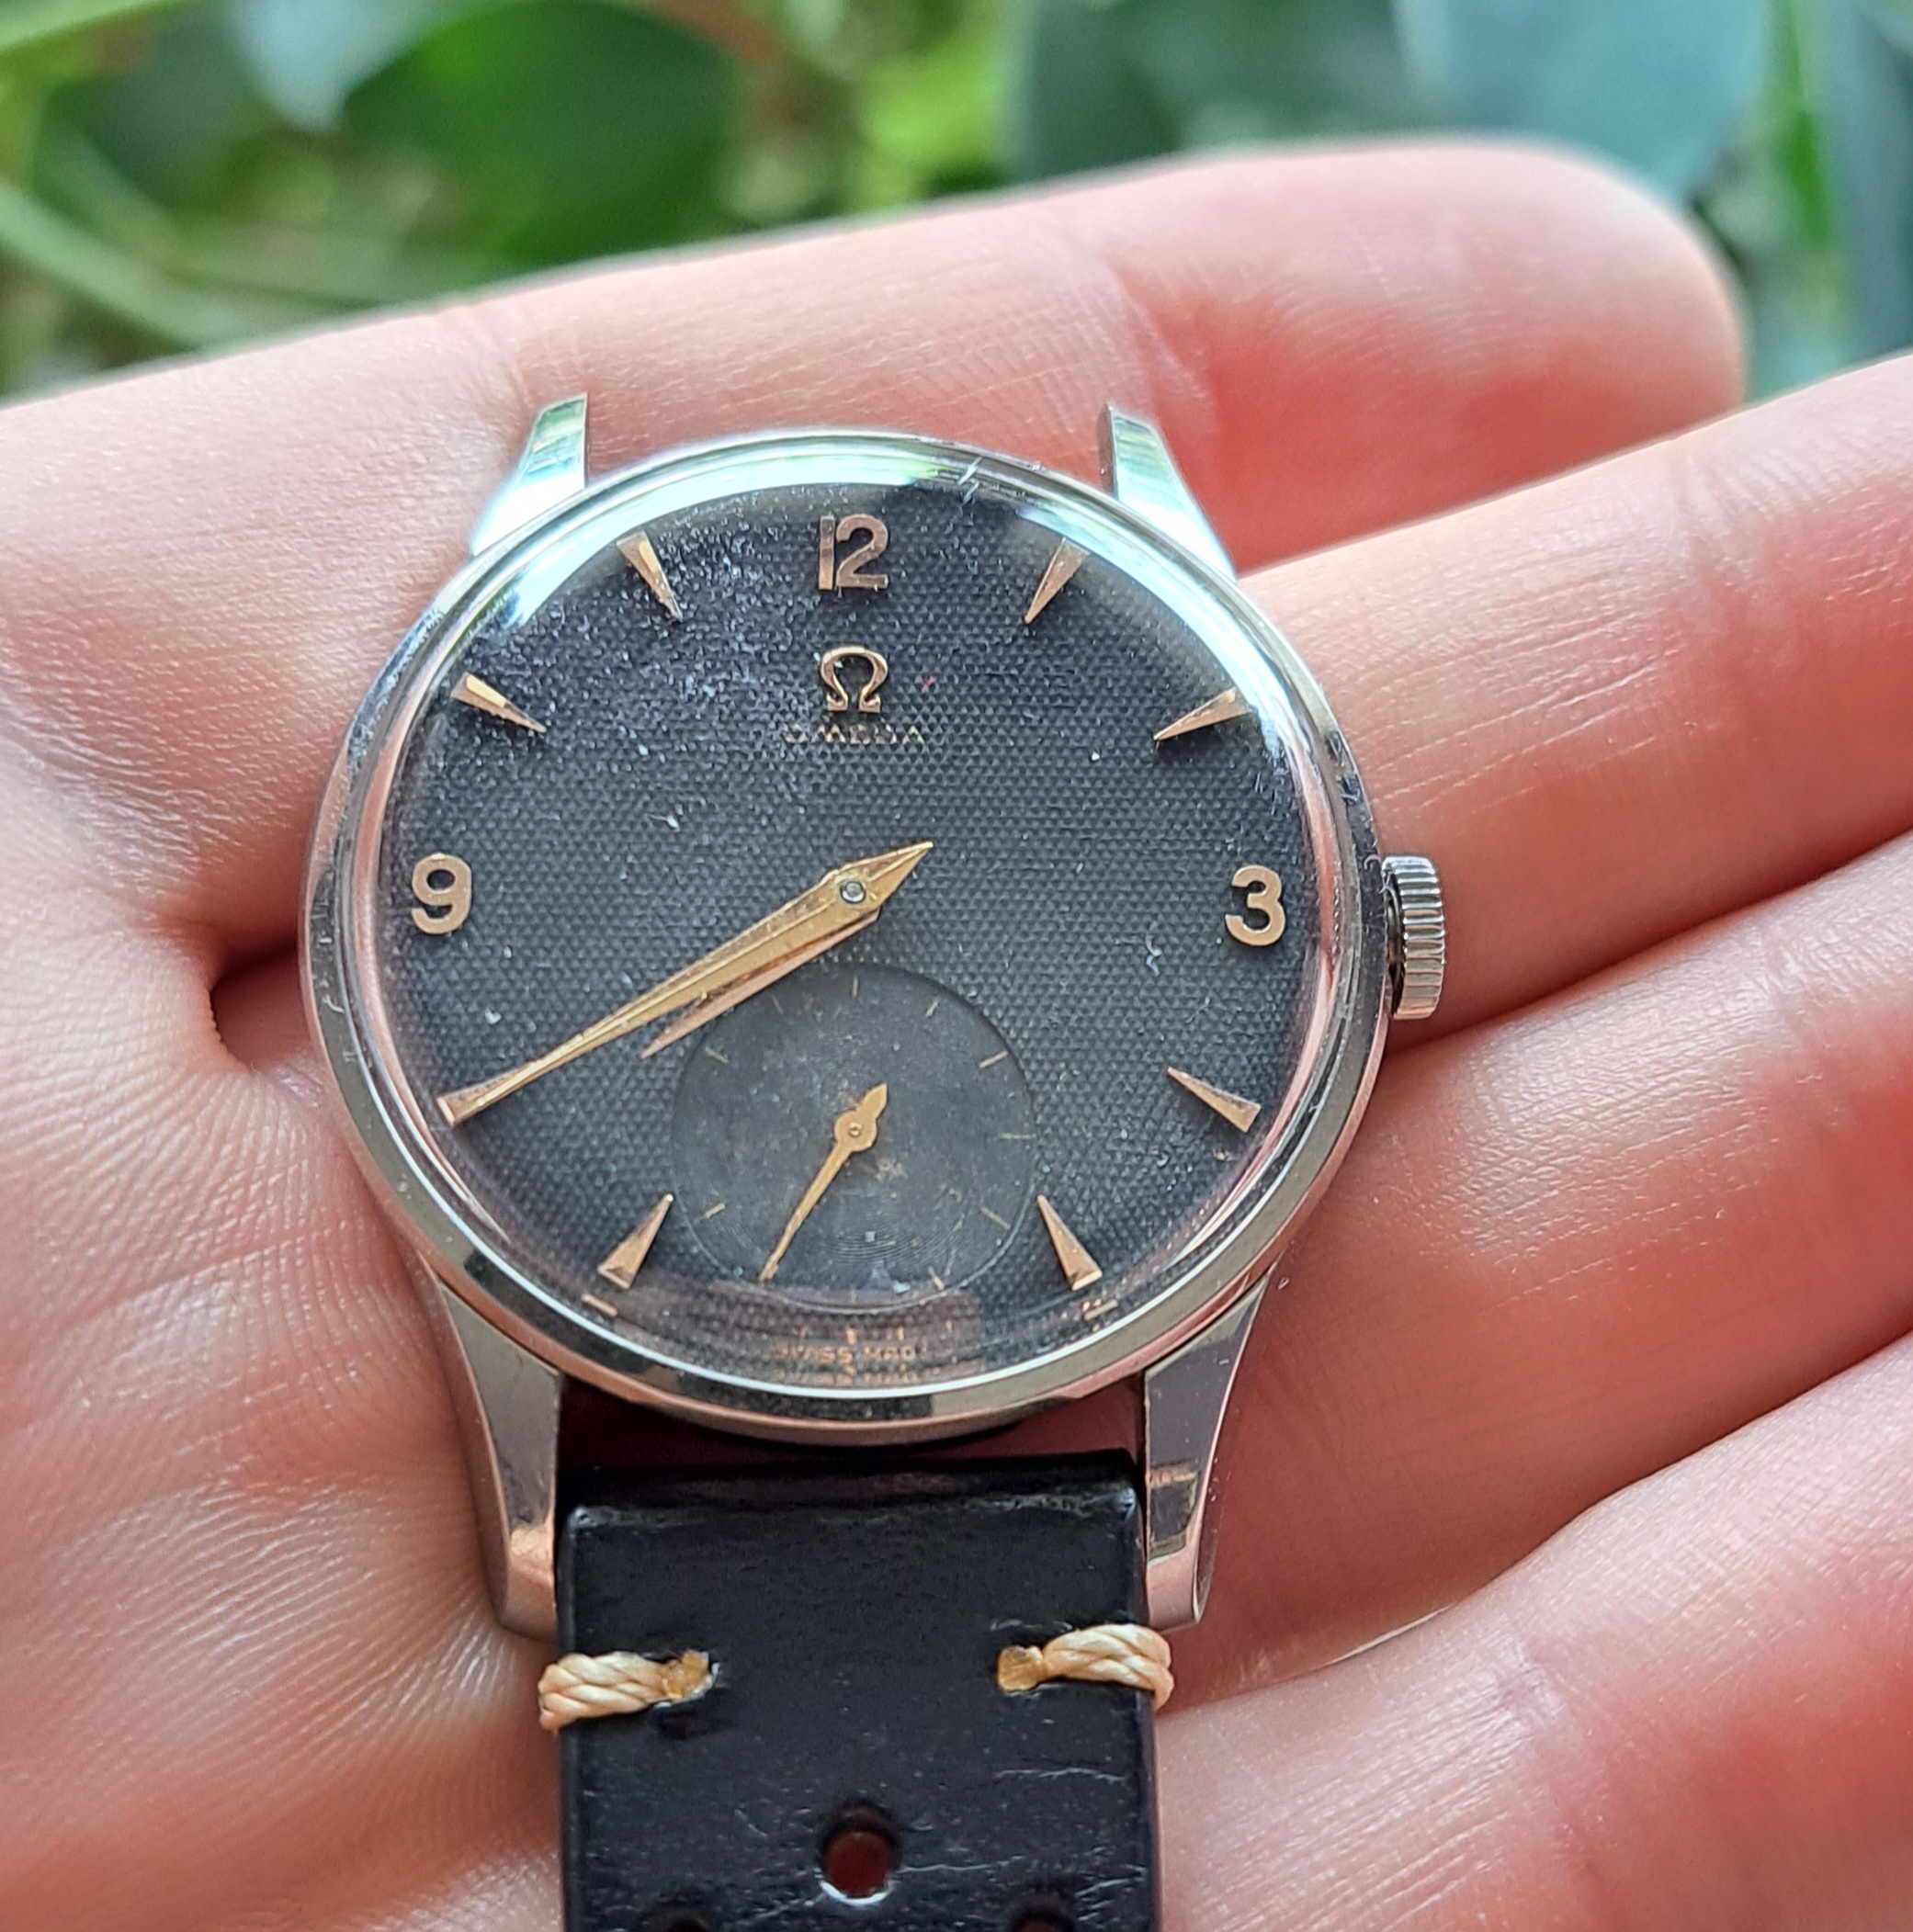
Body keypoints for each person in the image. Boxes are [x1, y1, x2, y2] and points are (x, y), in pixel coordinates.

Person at [2, 141, 1906, 1927]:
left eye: (855, 905)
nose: (848, 911)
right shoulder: (517, 682)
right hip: (648, 1325)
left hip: (1004, 1324)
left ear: (1371, 942)